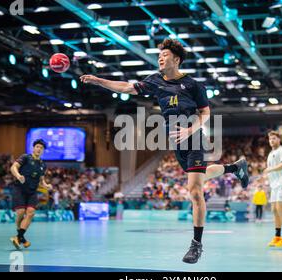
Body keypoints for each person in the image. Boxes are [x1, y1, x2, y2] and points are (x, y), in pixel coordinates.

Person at [80, 38, 250, 264]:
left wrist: (191, 129)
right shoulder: (155, 81)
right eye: (159, 55)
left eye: (165, 55)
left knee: (195, 191)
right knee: (200, 176)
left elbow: (206, 113)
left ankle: (196, 245)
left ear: (176, 60)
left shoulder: (192, 85)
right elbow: (127, 87)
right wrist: (98, 80)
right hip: (176, 141)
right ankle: (235, 167)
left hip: (193, 137)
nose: (160, 58)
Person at [9, 139, 52, 250]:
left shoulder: (42, 164)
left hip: (32, 191)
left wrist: (46, 185)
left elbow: (41, 180)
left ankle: (18, 237)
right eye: (37, 146)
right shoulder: (25, 157)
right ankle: (21, 238)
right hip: (19, 189)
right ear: (33, 148)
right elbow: (13, 167)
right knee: (21, 212)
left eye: (41, 148)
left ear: (43, 151)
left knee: (31, 213)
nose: (39, 149)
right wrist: (18, 176)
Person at [263, 131, 282, 248]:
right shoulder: (270, 153)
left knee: (281, 208)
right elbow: (271, 170)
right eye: (270, 139)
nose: (272, 141)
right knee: (274, 210)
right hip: (274, 184)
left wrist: (269, 170)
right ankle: (277, 236)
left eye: (274, 138)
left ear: (279, 140)